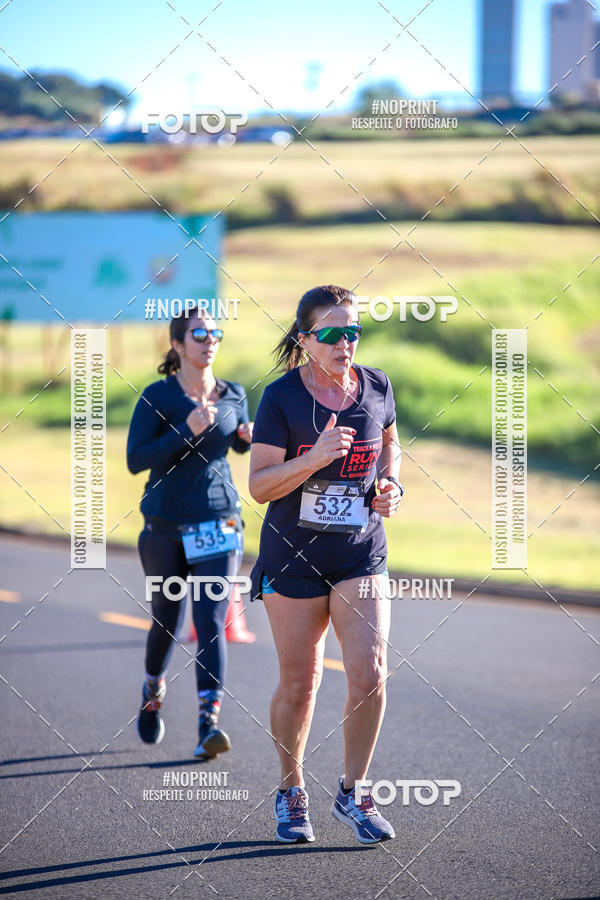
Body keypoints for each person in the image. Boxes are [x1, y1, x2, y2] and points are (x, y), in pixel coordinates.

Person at [249, 285, 403, 845]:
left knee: (370, 673)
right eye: (332, 333)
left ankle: (354, 791)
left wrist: (391, 484)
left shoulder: (378, 385)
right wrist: (312, 459)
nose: (346, 343)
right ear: (305, 339)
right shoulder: (281, 398)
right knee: (301, 683)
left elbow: (389, 443)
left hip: (360, 552)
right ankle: (291, 790)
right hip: (292, 558)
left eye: (353, 331)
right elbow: (260, 485)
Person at [127, 305, 253, 758]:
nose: (209, 340)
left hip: (220, 522)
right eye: (199, 334)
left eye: (214, 332)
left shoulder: (233, 393)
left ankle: (208, 723)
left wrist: (244, 437)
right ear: (178, 344)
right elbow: (136, 459)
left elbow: (234, 441)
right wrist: (186, 430)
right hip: (165, 527)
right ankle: (152, 689)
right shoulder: (156, 397)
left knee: (211, 621)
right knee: (167, 617)